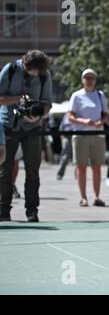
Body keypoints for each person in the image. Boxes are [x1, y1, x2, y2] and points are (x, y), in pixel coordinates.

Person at [0, 50, 53, 222]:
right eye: (31, 70)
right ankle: (3, 209)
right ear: (25, 63)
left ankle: (32, 210)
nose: (34, 73)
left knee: (33, 172)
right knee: (4, 171)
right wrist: (18, 99)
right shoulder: (10, 70)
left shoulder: (45, 75)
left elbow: (47, 105)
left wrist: (37, 115)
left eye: (37, 71)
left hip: (33, 128)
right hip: (9, 125)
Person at [68, 68, 108, 207]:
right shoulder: (76, 95)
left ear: (95, 80)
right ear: (83, 80)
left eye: (92, 78)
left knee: (97, 167)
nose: (89, 80)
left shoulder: (100, 95)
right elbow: (70, 116)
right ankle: (83, 197)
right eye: (87, 78)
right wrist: (84, 122)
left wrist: (100, 123)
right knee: (81, 167)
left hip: (97, 134)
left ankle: (97, 196)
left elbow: (105, 115)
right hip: (81, 134)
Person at [56, 112, 74, 180]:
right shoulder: (66, 116)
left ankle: (78, 174)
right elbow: (61, 128)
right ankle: (60, 174)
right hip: (67, 137)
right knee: (65, 157)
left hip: (76, 136)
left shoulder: (80, 114)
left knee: (78, 157)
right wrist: (62, 138)